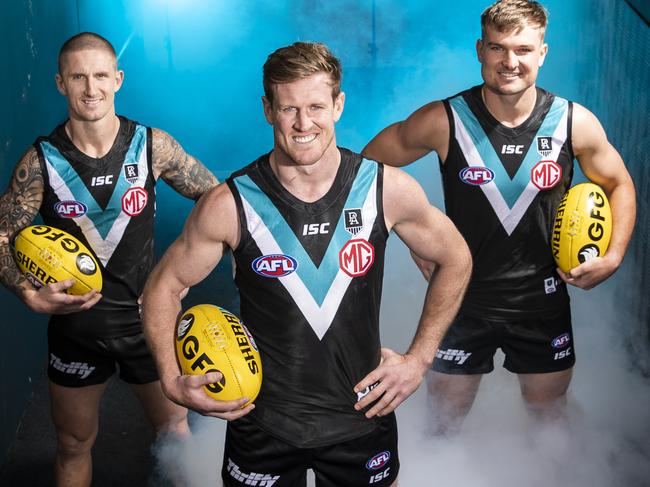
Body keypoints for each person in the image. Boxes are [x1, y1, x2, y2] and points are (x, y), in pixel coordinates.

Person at [141, 41, 471, 487]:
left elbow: (456, 258)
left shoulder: (386, 189)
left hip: (361, 417)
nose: (303, 123)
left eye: (316, 106)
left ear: (338, 105)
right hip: (262, 423)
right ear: (267, 109)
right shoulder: (230, 203)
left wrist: (418, 360)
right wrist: (169, 377)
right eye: (288, 108)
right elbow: (163, 288)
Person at [363, 0, 636, 435]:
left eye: (523, 50)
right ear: (480, 50)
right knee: (443, 424)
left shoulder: (572, 122)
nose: (510, 61)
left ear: (542, 53)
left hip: (541, 301)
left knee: (550, 416)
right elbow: (367, 170)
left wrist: (615, 254)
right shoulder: (444, 119)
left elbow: (619, 184)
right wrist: (416, 237)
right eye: (498, 48)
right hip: (461, 300)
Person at [0, 32, 219, 487]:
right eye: (78, 77)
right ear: (60, 83)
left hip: (148, 326)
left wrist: (187, 269)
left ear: (117, 79)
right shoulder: (40, 162)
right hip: (77, 332)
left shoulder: (151, 146)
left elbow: (217, 201)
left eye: (100, 76)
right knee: (73, 445)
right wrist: (26, 292)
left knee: (175, 432)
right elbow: (3, 233)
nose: (91, 88)